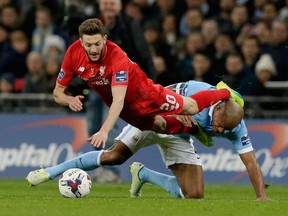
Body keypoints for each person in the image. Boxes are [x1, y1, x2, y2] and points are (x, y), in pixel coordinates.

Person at [26, 80, 268, 200]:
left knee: (194, 195)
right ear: (215, 110)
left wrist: (261, 197)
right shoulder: (197, 93)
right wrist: (175, 110)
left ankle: (143, 175)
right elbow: (159, 92)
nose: (218, 130)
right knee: (113, 156)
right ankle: (50, 171)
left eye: (224, 129)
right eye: (218, 125)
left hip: (178, 136)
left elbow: (250, 162)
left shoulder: (234, 126)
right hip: (154, 119)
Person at [52, 18, 244, 148]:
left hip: (146, 94)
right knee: (159, 126)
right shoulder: (72, 54)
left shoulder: (116, 57)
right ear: (80, 41)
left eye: (97, 44)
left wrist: (104, 131)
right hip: (126, 108)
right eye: (88, 45)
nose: (93, 49)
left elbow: (118, 99)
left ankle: (224, 92)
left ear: (104, 39)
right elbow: (57, 93)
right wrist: (68, 100)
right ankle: (194, 129)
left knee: (191, 107)